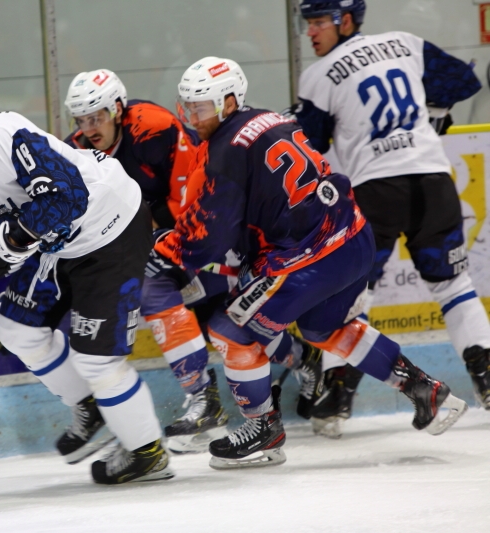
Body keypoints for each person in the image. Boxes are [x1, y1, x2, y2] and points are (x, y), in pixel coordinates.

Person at [149, 56, 467, 469]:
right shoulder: (267, 118)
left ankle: (263, 430)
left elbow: (209, 233)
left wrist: (165, 250)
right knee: (323, 327)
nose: (193, 117)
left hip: (311, 256)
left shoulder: (225, 149)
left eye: (202, 107)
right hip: (352, 237)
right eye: (187, 107)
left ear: (229, 102)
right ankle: (426, 389)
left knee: (230, 330)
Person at [0, 83, 172, 484]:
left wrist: (15, 237)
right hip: (57, 245)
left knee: (96, 359)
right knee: (16, 329)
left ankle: (148, 453)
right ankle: (88, 405)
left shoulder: (2, 136)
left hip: (110, 225)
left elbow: (69, 197)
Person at [294, 0, 490, 437]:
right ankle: (488, 378)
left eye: (319, 21)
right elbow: (464, 80)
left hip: (376, 191)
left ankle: (337, 394)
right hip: (434, 181)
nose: (311, 31)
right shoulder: (404, 43)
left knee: (350, 292)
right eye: (307, 23)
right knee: (453, 283)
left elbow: (307, 143)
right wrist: (434, 112)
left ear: (345, 21)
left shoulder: (320, 75)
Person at [63, 69, 232, 453]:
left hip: (210, 219)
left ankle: (207, 397)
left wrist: (133, 229)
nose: (89, 128)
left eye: (98, 117)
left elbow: (189, 197)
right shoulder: (77, 149)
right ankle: (206, 399)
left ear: (118, 108)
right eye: (82, 119)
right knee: (215, 315)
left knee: (214, 308)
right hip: (160, 234)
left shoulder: (156, 128)